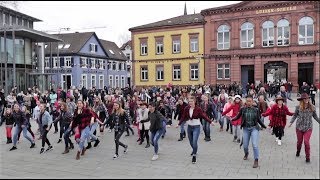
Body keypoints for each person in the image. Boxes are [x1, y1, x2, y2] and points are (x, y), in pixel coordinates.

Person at [176, 96, 215, 164]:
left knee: (194, 141)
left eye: (191, 101)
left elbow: (204, 116)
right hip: (189, 127)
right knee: (191, 142)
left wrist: (210, 122)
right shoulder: (186, 108)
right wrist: (179, 124)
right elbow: (183, 117)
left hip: (196, 127)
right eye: (189, 101)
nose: (190, 103)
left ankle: (194, 155)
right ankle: (195, 150)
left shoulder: (198, 109)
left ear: (195, 102)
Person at [231, 95, 267, 168]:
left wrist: (264, 126)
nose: (249, 103)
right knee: (245, 146)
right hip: (246, 129)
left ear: (253, 101)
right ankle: (246, 153)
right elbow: (238, 116)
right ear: (245, 101)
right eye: (247, 101)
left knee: (255, 145)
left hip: (254, 128)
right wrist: (232, 119)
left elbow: (259, 120)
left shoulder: (256, 110)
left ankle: (256, 160)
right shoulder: (243, 109)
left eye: (250, 101)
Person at [289, 93, 319, 163]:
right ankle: (298, 151)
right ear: (302, 100)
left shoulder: (312, 107)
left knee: (306, 142)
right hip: (299, 127)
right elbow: (295, 115)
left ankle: (307, 157)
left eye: (308, 98)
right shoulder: (298, 107)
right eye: (305, 98)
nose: (307, 99)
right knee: (299, 142)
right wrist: (291, 122)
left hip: (308, 127)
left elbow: (315, 117)